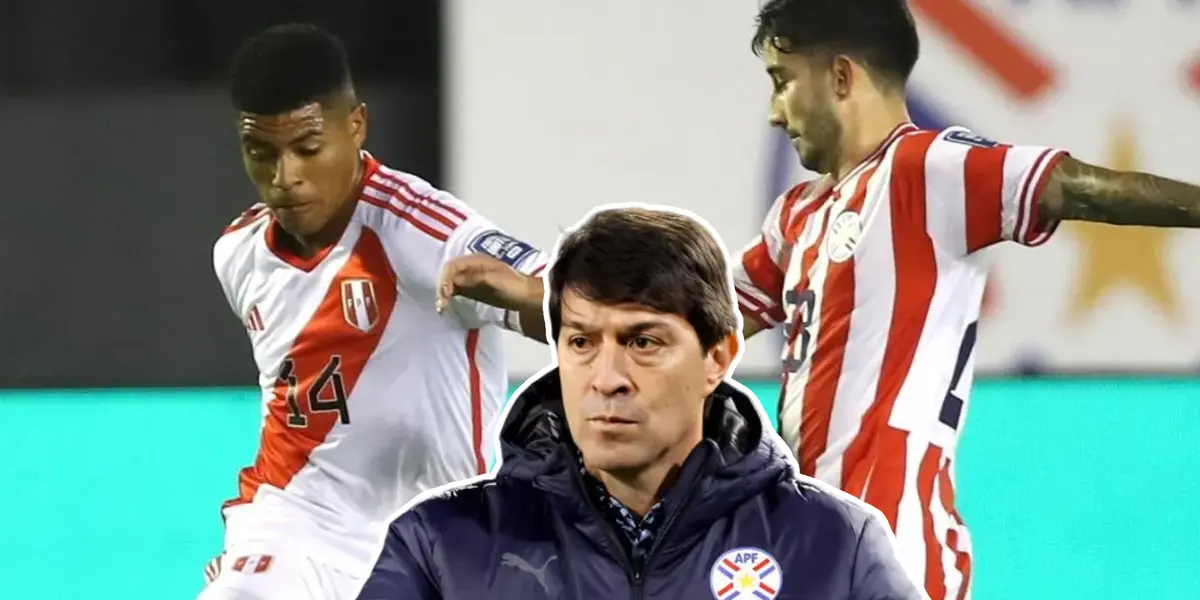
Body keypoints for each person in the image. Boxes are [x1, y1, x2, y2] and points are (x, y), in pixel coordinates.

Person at [731, 1, 1200, 598]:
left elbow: (1079, 187)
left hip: (894, 540)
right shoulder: (796, 216)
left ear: (841, 76)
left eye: (783, 82)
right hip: (803, 540)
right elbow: (701, 327)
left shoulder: (927, 169)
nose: (775, 113)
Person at [357, 205, 927, 600]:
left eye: (643, 342)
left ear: (718, 357)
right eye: (581, 342)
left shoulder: (833, 545)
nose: (607, 378)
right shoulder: (440, 544)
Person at [199, 23, 549, 600]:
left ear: (356, 125)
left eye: (308, 149)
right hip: (295, 520)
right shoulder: (238, 254)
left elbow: (566, 299)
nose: (285, 178)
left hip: (439, 531)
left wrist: (528, 299)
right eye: (262, 153)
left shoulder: (422, 230)